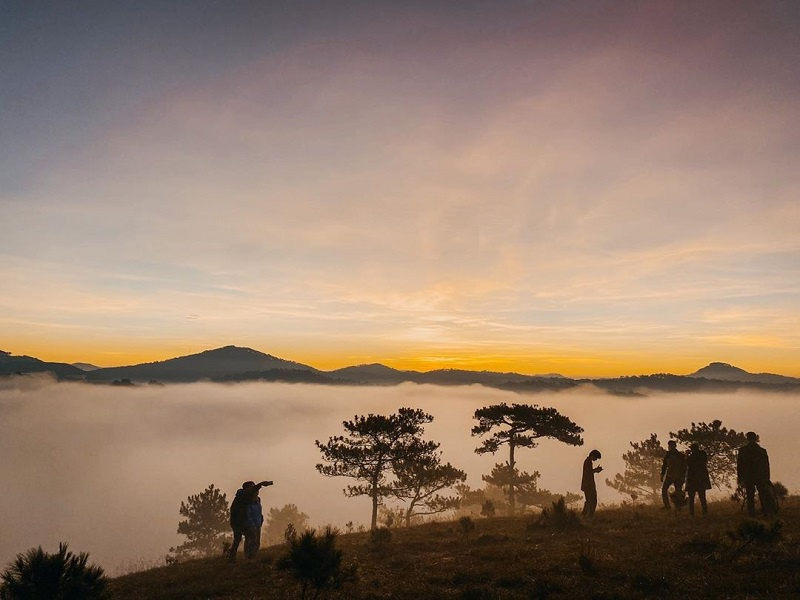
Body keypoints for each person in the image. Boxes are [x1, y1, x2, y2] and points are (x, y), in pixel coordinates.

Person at [227, 480, 273, 562]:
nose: (253, 489)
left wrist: (260, 520)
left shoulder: (255, 499)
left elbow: (258, 511)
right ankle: (244, 556)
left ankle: (248, 557)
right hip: (238, 522)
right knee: (242, 538)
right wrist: (260, 484)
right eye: (251, 487)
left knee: (249, 539)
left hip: (251, 522)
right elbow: (245, 511)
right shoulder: (241, 497)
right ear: (245, 489)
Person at [737, 432, 775, 516]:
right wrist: (767, 477)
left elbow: (740, 465)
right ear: (755, 439)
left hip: (748, 476)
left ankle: (752, 513)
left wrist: (740, 478)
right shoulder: (762, 451)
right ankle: (765, 511)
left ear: (747, 439)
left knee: (750, 495)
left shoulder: (743, 450)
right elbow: (766, 465)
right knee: (762, 494)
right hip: (760, 476)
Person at [685, 443, 711, 516]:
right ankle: (704, 512)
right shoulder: (702, 455)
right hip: (700, 479)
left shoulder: (692, 457)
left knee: (692, 498)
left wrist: (687, 455)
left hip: (693, 479)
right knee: (702, 497)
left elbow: (688, 464)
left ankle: (692, 513)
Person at [661, 440, 686, 510]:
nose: (670, 447)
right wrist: (662, 475)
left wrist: (683, 477)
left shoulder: (679, 456)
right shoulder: (670, 455)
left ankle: (675, 506)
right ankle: (670, 506)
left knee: (677, 491)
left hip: (674, 476)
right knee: (674, 491)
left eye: (671, 445)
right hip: (673, 476)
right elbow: (664, 466)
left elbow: (684, 467)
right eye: (670, 445)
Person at [581, 449, 603, 519]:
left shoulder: (588, 461)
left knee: (589, 501)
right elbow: (588, 473)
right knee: (593, 501)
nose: (596, 459)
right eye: (596, 458)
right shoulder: (588, 462)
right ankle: (589, 516)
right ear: (592, 455)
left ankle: (584, 515)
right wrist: (596, 470)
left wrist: (595, 470)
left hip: (587, 485)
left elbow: (589, 472)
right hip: (588, 485)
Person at [245, 491, 264, 559]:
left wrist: (261, 519)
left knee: (257, 541)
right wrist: (251, 524)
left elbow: (259, 512)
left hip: (258, 523)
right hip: (251, 525)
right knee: (251, 540)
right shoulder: (248, 502)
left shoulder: (258, 500)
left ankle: (254, 556)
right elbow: (248, 514)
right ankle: (248, 556)